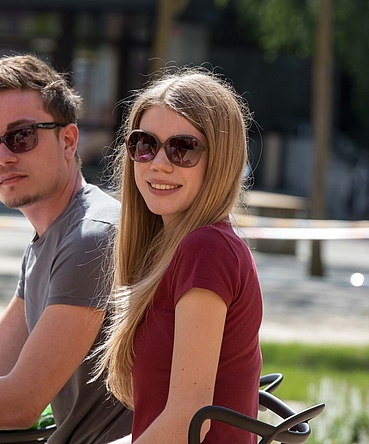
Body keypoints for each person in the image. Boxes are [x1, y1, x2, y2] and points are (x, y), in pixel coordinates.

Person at [0, 54, 133, 442]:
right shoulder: (51, 238)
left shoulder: (92, 235)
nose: (3, 157)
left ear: (68, 140)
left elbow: (22, 402)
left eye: (22, 136)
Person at [95, 68, 263, 443]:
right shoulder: (178, 247)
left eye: (183, 148)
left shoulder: (206, 248)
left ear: (220, 159)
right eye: (144, 144)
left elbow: (191, 419)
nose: (158, 163)